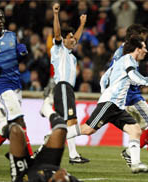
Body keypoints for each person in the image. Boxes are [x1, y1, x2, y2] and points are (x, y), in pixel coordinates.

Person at [43, 35, 148, 173]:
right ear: (137, 49)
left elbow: (106, 76)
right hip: (110, 103)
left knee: (135, 130)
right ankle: (54, 136)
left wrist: (104, 90)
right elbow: (132, 76)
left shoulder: (124, 61)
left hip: (117, 107)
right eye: (143, 48)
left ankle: (136, 164)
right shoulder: (128, 60)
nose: (146, 51)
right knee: (88, 129)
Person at [0, 111, 148, 182]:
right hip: (48, 162)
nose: (65, 172)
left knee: (16, 130)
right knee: (61, 128)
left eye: (62, 176)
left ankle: (3, 129)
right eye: (66, 176)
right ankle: (47, 108)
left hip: (24, 172)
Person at [108, 24, 148, 173]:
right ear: (134, 37)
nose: (144, 44)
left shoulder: (120, 52)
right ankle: (129, 152)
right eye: (142, 39)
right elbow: (128, 76)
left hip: (129, 96)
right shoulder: (126, 54)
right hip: (131, 98)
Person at [40, 3, 89, 164]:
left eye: (74, 38)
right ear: (64, 39)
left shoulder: (71, 55)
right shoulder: (58, 49)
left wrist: (82, 24)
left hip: (66, 88)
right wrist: (55, 14)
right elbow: (57, 33)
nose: (74, 40)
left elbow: (76, 37)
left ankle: (73, 155)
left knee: (67, 122)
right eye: (71, 37)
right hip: (62, 86)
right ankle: (46, 146)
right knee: (71, 121)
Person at [0, 9, 33, 174]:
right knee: (20, 121)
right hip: (1, 87)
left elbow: (17, 56)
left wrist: (21, 53)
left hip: (16, 85)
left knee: (8, 126)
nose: (0, 21)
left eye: (1, 19)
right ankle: (30, 159)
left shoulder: (11, 36)